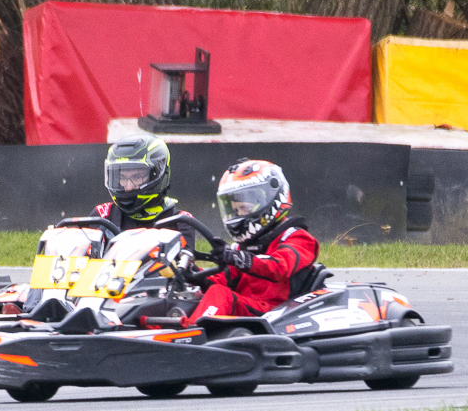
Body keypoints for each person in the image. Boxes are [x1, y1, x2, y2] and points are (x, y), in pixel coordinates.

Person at [185, 158, 320, 324]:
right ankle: (158, 329)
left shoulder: (298, 238)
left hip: (277, 312)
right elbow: (221, 281)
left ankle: (189, 333)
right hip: (249, 307)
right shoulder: (243, 247)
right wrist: (194, 274)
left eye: (244, 208)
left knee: (220, 295)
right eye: (234, 210)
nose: (238, 215)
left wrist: (239, 258)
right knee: (185, 296)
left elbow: (279, 266)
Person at [95, 136, 189, 229]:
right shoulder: (102, 216)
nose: (128, 187)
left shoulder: (180, 221)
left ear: (156, 175)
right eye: (122, 178)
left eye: (137, 177)